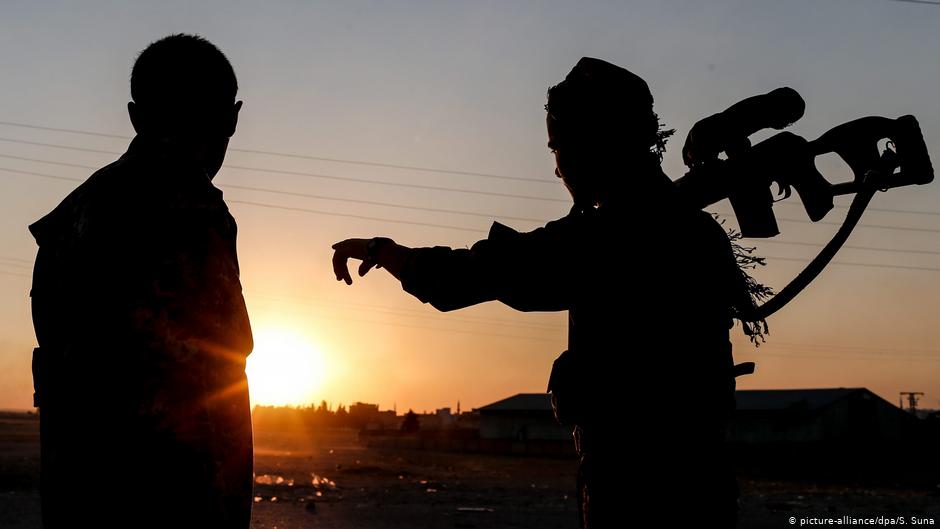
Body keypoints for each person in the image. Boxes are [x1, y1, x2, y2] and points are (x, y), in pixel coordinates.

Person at [332, 57, 752, 528]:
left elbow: (468, 276)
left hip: (637, 490)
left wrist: (383, 251)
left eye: (558, 150)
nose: (558, 169)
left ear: (587, 147)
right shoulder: (691, 230)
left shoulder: (607, 239)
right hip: (701, 483)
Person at [29, 34, 253, 529]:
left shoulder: (73, 216)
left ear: (135, 116)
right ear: (232, 118)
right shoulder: (191, 213)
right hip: (169, 503)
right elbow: (208, 390)